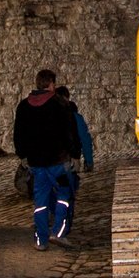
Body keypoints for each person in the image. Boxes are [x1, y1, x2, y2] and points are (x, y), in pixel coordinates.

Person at [13, 68, 81, 250]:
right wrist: (75, 154)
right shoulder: (60, 104)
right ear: (51, 84)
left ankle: (40, 240)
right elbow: (70, 133)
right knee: (64, 195)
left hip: (37, 164)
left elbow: (18, 134)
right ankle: (58, 232)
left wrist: (23, 155)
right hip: (58, 163)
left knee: (40, 200)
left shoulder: (24, 106)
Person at [52, 85, 95, 241]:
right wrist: (88, 161)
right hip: (67, 161)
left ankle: (56, 222)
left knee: (52, 194)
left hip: (49, 161)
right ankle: (63, 227)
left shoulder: (49, 114)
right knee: (67, 194)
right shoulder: (74, 116)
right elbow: (84, 139)